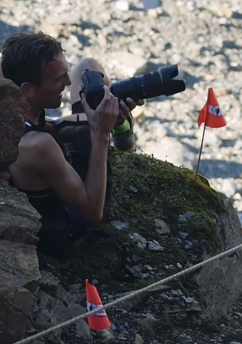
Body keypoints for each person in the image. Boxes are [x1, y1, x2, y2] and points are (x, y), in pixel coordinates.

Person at [1, 32, 143, 261]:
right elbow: (93, 213)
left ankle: (115, 116)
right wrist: (100, 133)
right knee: (93, 104)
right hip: (73, 219)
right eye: (58, 80)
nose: (67, 84)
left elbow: (50, 126)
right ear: (28, 89)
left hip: (56, 165)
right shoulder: (38, 146)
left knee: (87, 67)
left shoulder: (13, 103)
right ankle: (118, 130)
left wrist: (96, 117)